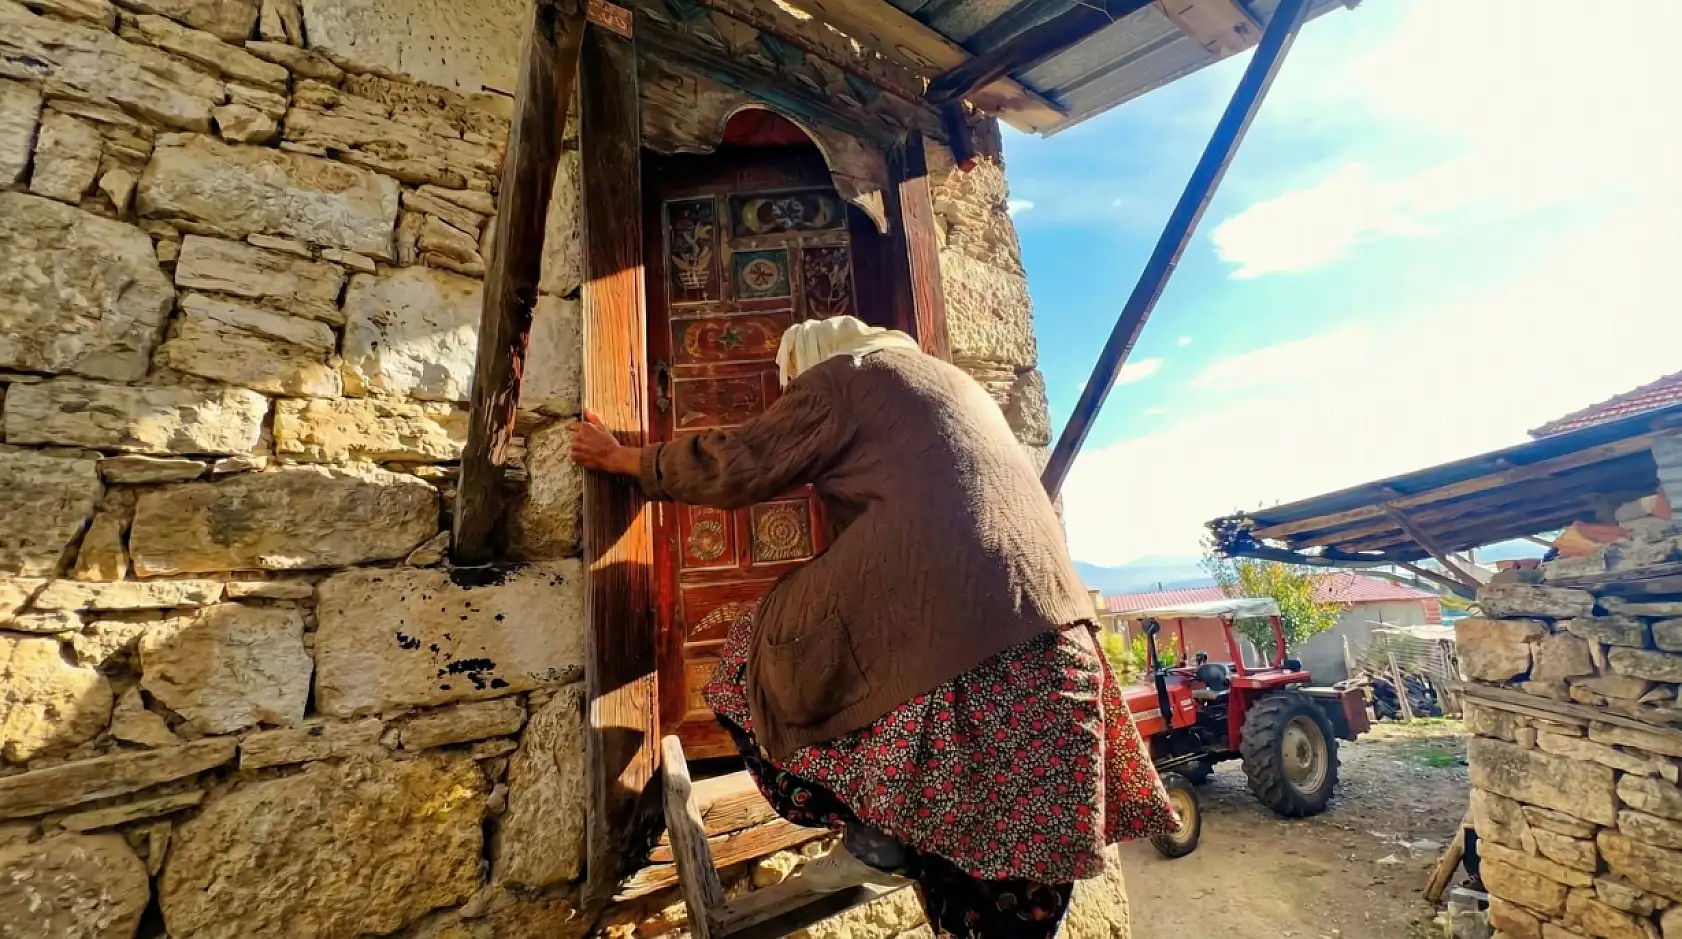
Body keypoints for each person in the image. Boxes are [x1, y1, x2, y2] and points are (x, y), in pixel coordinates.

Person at [571, 315, 1176, 938]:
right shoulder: (956, 386)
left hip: (954, 637)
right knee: (1011, 892)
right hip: (1057, 641)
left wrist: (626, 459)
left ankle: (873, 834)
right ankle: (888, 837)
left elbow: (740, 462)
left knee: (750, 663)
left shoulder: (842, 376)